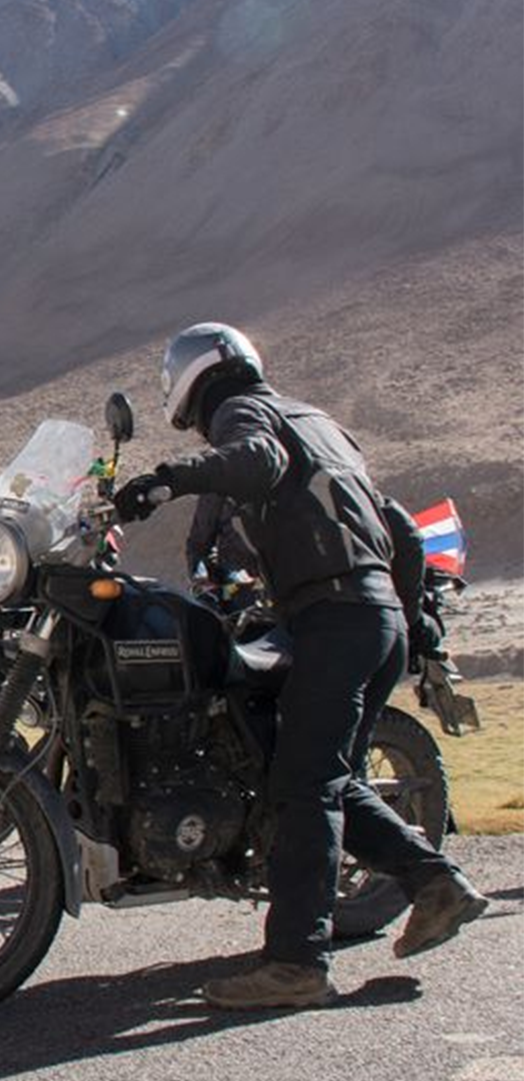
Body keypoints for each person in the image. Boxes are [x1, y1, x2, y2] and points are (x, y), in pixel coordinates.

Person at [113, 322, 488, 1010]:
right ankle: (437, 885)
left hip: (333, 617)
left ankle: (295, 963)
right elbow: (400, 529)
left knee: (304, 786)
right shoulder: (317, 422)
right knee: (320, 773)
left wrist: (165, 481)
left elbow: (254, 459)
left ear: (192, 382)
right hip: (373, 621)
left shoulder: (242, 413)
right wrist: (402, 618)